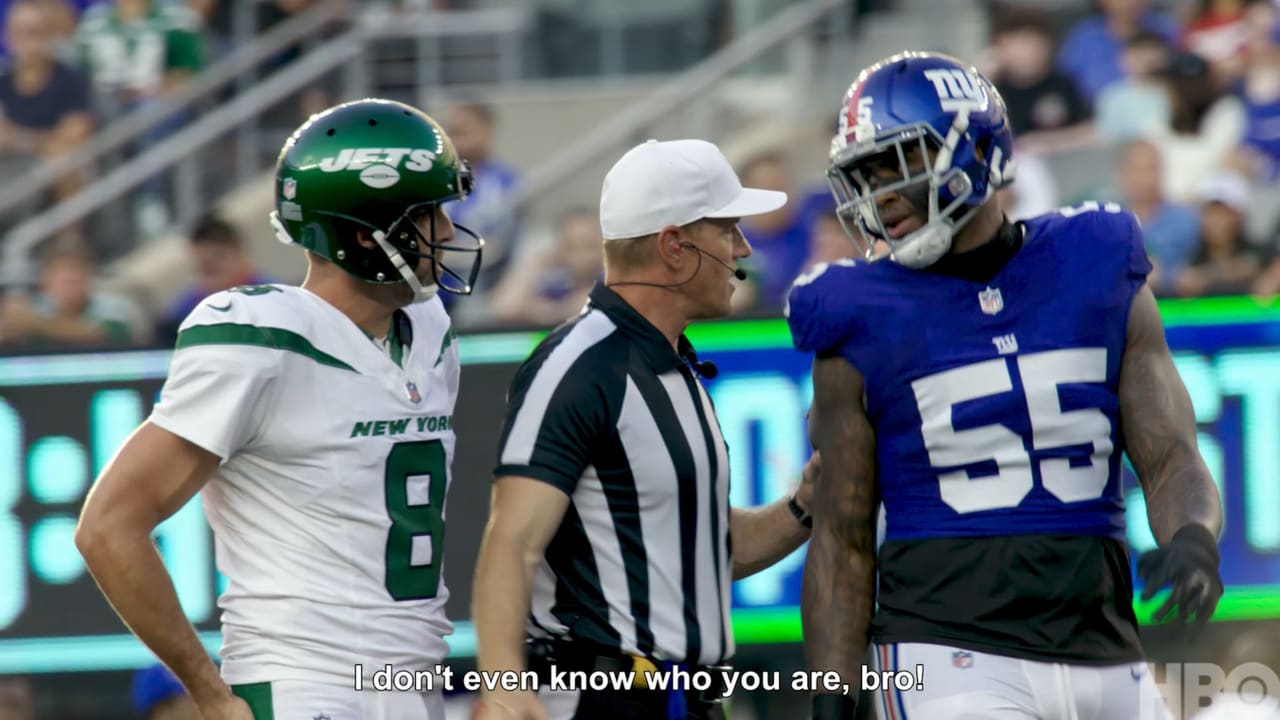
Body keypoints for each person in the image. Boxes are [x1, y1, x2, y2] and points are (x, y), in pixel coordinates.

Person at [787, 52, 1224, 720]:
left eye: (897, 164)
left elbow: (1170, 455)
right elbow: (843, 539)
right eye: (865, 176)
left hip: (1105, 644)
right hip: (947, 654)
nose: (881, 196)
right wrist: (832, 695)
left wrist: (1193, 535)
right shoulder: (858, 310)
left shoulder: (1096, 259)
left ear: (976, 150)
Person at [75, 98, 485, 720]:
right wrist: (211, 696)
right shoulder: (259, 338)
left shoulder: (428, 328)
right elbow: (108, 527)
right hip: (304, 686)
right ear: (362, 235)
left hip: (413, 685)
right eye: (428, 215)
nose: (449, 233)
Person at [471, 138, 819, 720]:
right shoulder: (578, 364)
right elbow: (513, 538)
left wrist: (808, 505)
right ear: (674, 247)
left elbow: (693, 549)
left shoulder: (674, 365)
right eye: (728, 229)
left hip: (688, 697)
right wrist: (504, 684)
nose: (744, 248)